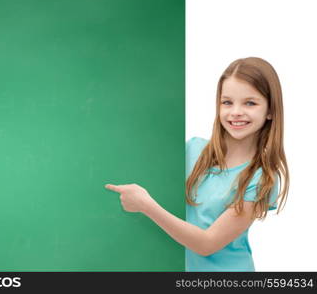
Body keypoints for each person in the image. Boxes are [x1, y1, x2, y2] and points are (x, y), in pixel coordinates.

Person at [105, 57, 289, 271]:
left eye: (250, 103)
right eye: (227, 102)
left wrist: (146, 206)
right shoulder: (192, 149)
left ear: (270, 110)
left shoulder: (262, 177)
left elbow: (206, 243)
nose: (236, 111)